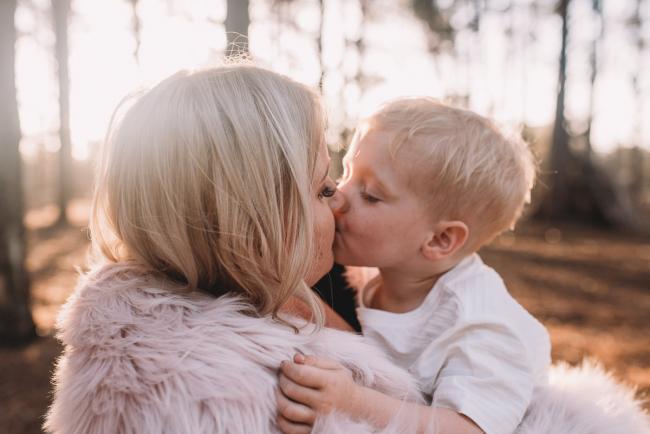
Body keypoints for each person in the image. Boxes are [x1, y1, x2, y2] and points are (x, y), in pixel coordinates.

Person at [43, 65, 425, 434]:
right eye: (322, 189)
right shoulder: (221, 403)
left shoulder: (306, 300)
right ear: (253, 220)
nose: (340, 201)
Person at [277, 98, 551, 434]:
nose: (337, 193)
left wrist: (355, 403)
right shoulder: (379, 270)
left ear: (440, 240)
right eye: (346, 172)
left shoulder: (482, 326)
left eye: (371, 194)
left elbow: (469, 430)